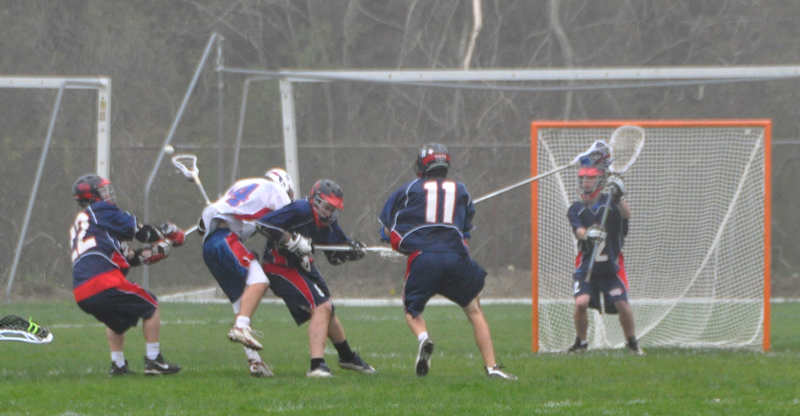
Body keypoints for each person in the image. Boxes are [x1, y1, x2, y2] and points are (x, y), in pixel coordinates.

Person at [378, 143, 517, 380]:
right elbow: (465, 229)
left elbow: (387, 227)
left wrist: (396, 242)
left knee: (412, 311)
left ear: (423, 165)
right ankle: (492, 368)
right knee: (474, 311)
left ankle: (424, 338)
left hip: (424, 258)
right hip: (455, 258)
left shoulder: (410, 188)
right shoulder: (460, 189)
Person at [255, 179, 376, 377]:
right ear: (316, 200)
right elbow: (262, 225)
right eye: (327, 207)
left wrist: (352, 251)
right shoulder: (301, 209)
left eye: (333, 208)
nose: (329, 213)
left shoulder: (329, 222)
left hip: (302, 265)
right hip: (279, 266)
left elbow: (334, 256)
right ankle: (317, 365)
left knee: (328, 307)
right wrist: (290, 240)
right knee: (321, 307)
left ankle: (346, 357)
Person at [69, 173, 184, 376]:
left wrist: (160, 250)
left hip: (81, 292)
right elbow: (141, 232)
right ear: (93, 196)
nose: (108, 195)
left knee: (117, 322)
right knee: (150, 304)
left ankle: (118, 366)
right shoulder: (100, 211)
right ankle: (154, 360)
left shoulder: (92, 228)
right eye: (103, 191)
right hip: (103, 281)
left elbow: (131, 257)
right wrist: (167, 233)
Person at [198, 168, 294, 377]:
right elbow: (289, 223)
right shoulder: (275, 190)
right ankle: (241, 327)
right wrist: (299, 242)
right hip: (225, 239)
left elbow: (211, 219)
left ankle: (254, 361)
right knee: (260, 281)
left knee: (241, 304)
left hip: (210, 244)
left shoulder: (244, 185)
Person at [566, 145, 644, 355]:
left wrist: (619, 196)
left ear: (599, 181)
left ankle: (632, 342)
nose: (585, 182)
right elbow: (579, 231)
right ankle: (581, 343)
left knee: (621, 304)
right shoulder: (575, 208)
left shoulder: (611, 204)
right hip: (586, 268)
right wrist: (588, 234)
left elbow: (627, 215)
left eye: (589, 178)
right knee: (581, 303)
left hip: (611, 268)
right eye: (582, 179)